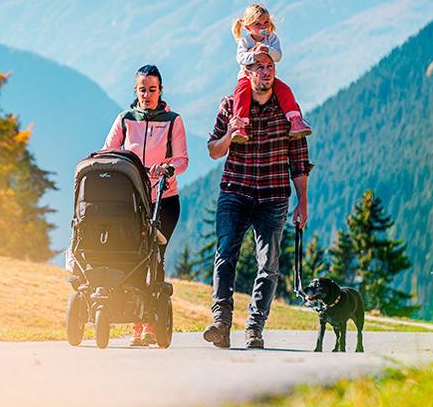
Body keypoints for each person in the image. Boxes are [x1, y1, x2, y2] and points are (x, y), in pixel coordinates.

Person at [203, 51, 313, 349]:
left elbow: (299, 159)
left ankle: (255, 328)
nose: (266, 72)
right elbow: (213, 150)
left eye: (270, 66)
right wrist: (230, 135)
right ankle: (221, 323)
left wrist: (302, 202)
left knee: (269, 263)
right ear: (247, 72)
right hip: (235, 191)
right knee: (225, 253)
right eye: (259, 67)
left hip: (273, 196)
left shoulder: (288, 110)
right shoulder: (231, 106)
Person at [103, 64, 189, 346]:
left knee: (154, 256)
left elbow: (182, 159)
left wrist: (167, 168)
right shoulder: (125, 119)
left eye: (152, 89)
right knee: (133, 257)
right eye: (143, 90)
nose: (147, 95)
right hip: (132, 201)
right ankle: (137, 324)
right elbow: (108, 150)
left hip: (164, 200)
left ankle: (152, 323)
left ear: (161, 90)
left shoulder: (173, 121)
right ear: (135, 90)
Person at [230, 3, 311, 143]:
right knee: (241, 93)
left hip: (267, 74)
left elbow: (278, 56)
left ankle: (295, 120)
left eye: (266, 22)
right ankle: (240, 126)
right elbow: (240, 58)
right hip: (247, 76)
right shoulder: (245, 41)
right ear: (248, 27)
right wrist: (254, 56)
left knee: (284, 89)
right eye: (257, 24)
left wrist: (267, 50)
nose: (263, 27)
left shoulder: (272, 38)